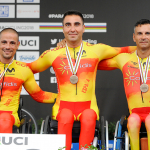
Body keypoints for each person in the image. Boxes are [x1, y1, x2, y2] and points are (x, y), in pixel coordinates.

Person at [26, 10, 136, 150]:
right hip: (63, 107)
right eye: (68, 25)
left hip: (89, 106)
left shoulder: (97, 49)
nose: (72, 29)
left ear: (84, 28)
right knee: (65, 116)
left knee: (89, 116)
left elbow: (125, 50)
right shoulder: (52, 54)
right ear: (63, 28)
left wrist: (147, 46)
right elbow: (27, 69)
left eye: (77, 24)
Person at [98, 19, 150, 150]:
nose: (143, 37)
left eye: (147, 33)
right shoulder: (124, 58)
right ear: (134, 37)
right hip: (135, 113)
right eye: (139, 34)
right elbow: (95, 62)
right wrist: (67, 48)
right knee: (132, 121)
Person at [0, 28, 57, 133]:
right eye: (4, 42)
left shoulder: (23, 69)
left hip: (9, 117)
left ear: (18, 45)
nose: (7, 47)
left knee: (4, 119)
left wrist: (64, 97)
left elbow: (39, 95)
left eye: (12, 43)